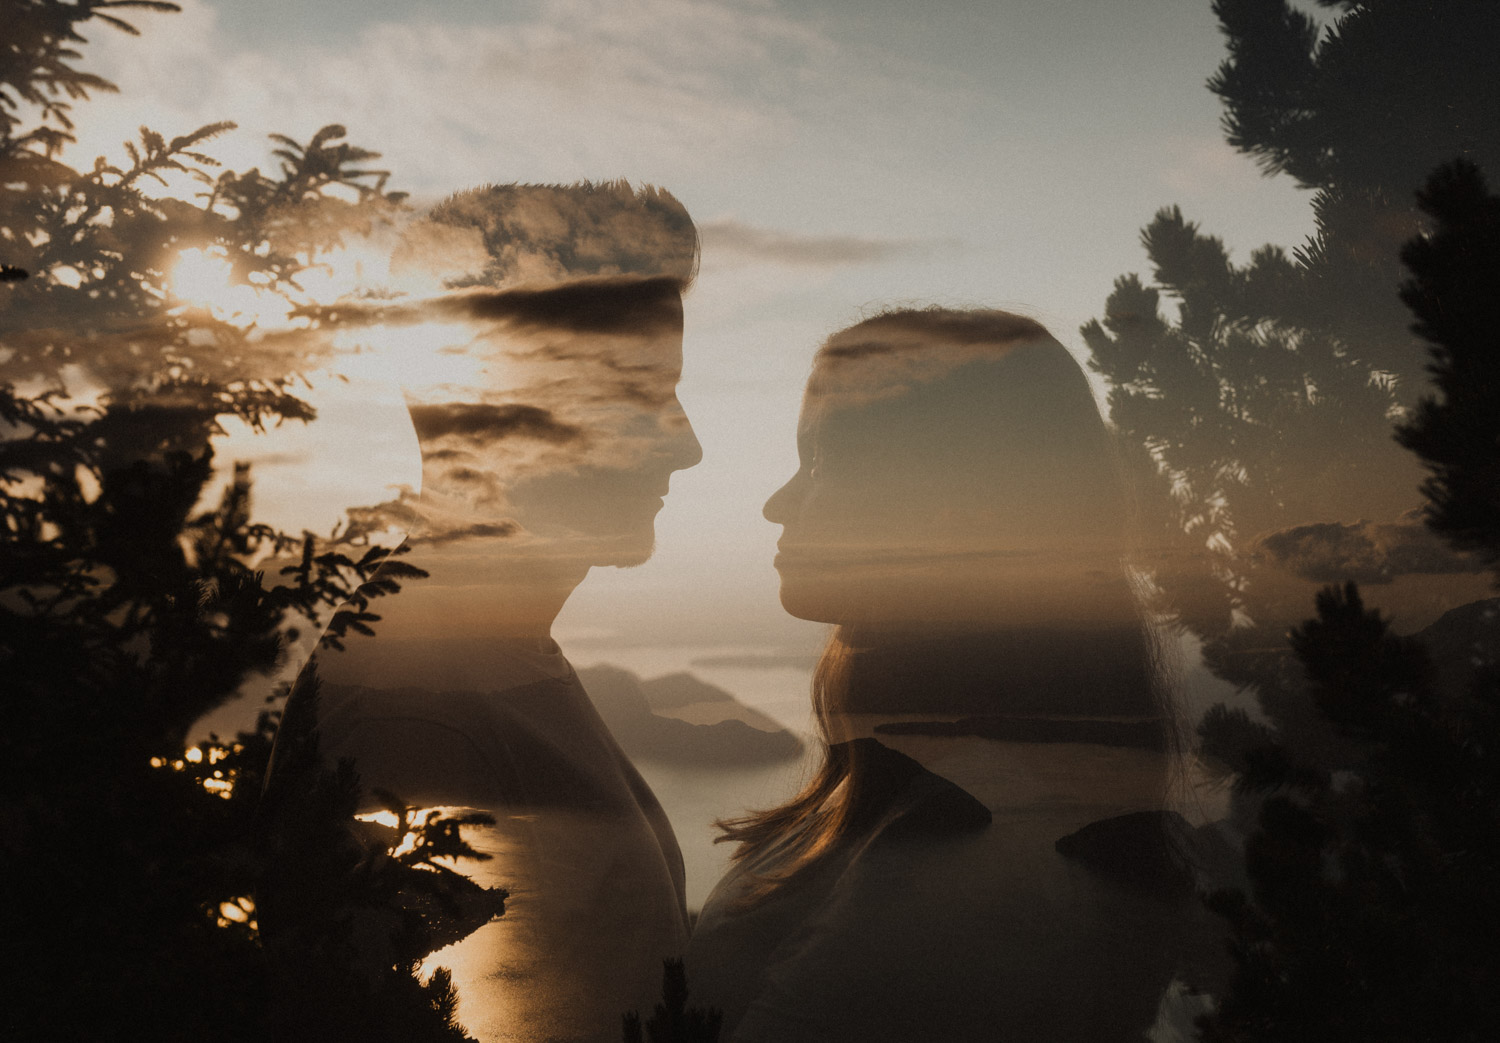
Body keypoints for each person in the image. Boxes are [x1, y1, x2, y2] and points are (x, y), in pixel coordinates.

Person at [686, 308, 1224, 1042]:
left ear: (950, 501)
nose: (776, 503)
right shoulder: (924, 796)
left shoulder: (967, 857)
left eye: (821, 462)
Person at [261, 182, 702, 1043]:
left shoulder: (491, 651)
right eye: (645, 394)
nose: (687, 443)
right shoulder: (419, 718)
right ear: (514, 411)